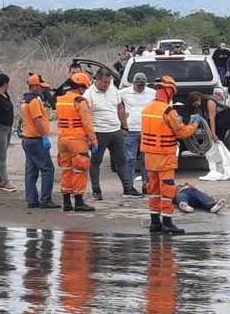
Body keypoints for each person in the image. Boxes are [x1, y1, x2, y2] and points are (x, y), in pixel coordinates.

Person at [141, 76, 201, 234]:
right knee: (167, 190)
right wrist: (195, 124)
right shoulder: (168, 111)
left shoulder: (146, 109)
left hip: (149, 156)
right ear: (168, 91)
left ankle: (155, 223)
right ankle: (167, 223)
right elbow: (182, 132)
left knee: (153, 189)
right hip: (165, 156)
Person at [84, 68, 142, 200]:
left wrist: (124, 126)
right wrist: (90, 136)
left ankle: (128, 188)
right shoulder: (89, 94)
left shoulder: (113, 89)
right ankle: (96, 190)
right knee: (95, 161)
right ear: (97, 79)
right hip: (99, 132)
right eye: (104, 82)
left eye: (109, 81)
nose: (107, 84)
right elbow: (86, 116)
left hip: (116, 131)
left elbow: (120, 107)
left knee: (121, 160)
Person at [57, 72, 98, 212]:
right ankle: (79, 202)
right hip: (77, 140)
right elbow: (87, 122)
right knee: (79, 170)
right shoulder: (80, 101)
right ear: (81, 87)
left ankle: (67, 202)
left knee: (66, 170)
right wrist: (93, 139)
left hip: (62, 139)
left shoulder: (61, 100)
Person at [21, 74, 60, 209]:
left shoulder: (25, 100)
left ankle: (32, 199)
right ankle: (45, 199)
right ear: (35, 86)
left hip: (28, 139)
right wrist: (44, 136)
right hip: (35, 139)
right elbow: (37, 119)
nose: (43, 90)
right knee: (48, 169)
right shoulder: (34, 102)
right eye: (41, 87)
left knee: (31, 171)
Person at [119, 72, 157, 195]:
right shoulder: (124, 92)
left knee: (146, 159)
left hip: (147, 130)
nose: (140, 87)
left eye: (142, 85)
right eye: (138, 85)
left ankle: (146, 184)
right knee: (130, 158)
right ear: (134, 83)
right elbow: (115, 101)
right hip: (131, 129)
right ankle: (129, 184)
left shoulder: (152, 93)